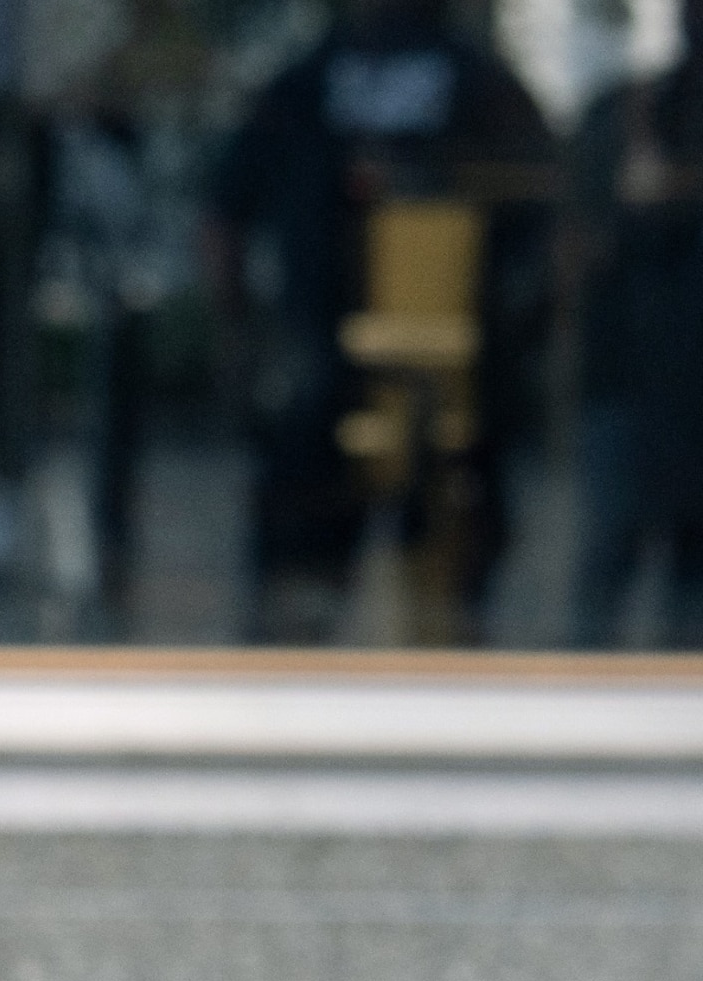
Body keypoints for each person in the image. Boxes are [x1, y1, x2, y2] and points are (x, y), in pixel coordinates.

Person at [204, 0, 554, 644]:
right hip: (324, 379)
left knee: (448, 598)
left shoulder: (477, 80)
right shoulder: (305, 82)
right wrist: (245, 335)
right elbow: (225, 209)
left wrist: (520, 327)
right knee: (300, 597)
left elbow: (544, 213)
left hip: (454, 390)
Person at [565, 0, 703, 648]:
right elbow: (573, 247)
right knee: (610, 551)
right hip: (626, 377)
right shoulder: (621, 116)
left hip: (667, 383)